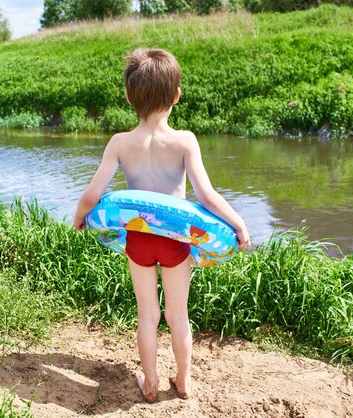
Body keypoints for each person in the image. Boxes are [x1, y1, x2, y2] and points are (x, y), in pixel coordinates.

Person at [73, 48, 250, 403]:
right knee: (177, 313)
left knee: (147, 313)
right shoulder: (184, 140)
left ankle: (150, 384)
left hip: (139, 238)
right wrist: (239, 226)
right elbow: (207, 196)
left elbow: (94, 193)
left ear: (128, 96)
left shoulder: (120, 143)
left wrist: (79, 217)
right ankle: (183, 383)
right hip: (174, 241)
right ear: (176, 95)